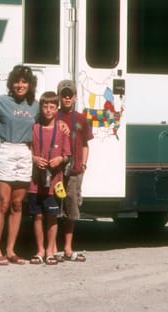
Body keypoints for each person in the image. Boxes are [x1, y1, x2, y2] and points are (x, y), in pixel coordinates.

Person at [0, 65, 39, 266]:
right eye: (17, 81)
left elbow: (49, 120)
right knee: (3, 202)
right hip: (5, 149)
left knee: (18, 205)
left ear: (30, 85)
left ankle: (10, 250)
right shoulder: (1, 101)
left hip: (25, 152)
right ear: (11, 83)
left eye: (24, 82)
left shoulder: (35, 105)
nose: (20, 85)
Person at [27, 91, 70, 266]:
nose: (48, 110)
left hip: (54, 181)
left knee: (52, 216)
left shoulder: (61, 129)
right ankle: (40, 250)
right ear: (41, 107)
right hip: (35, 181)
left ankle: (51, 249)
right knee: (37, 216)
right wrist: (34, 159)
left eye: (52, 107)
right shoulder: (35, 128)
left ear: (57, 108)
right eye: (45, 106)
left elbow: (67, 154)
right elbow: (28, 149)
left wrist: (60, 159)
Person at [56, 79, 93, 262]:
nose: (67, 97)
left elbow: (85, 144)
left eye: (70, 95)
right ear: (59, 97)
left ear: (75, 97)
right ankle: (52, 248)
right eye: (64, 94)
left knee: (71, 209)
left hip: (75, 171)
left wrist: (84, 165)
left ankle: (68, 248)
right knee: (54, 209)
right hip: (55, 171)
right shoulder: (53, 116)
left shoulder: (81, 119)